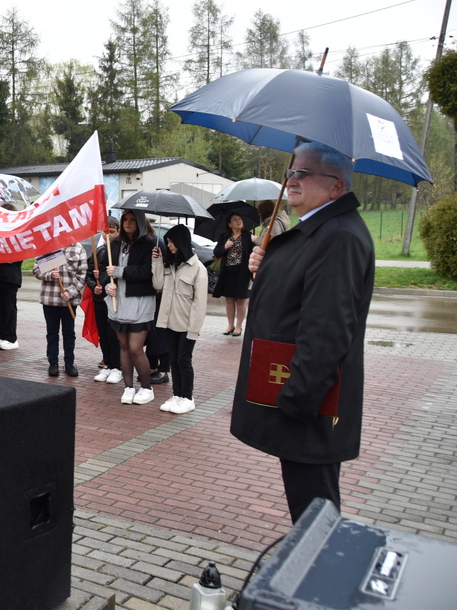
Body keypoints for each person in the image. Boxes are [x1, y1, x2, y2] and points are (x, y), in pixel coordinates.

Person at [231, 142, 374, 524]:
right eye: (292, 171)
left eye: (305, 173)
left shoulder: (338, 236)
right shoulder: (318, 231)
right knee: (309, 513)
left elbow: (326, 331)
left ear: (336, 187)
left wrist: (295, 401)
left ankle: (324, 581)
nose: (292, 179)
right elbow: (295, 297)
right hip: (303, 403)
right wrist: (268, 263)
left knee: (316, 520)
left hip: (310, 409)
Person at [151, 225, 208, 414]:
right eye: (167, 242)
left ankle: (188, 397)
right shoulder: (170, 264)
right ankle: (177, 395)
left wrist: (194, 329)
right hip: (168, 322)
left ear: (181, 242)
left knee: (184, 360)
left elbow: (200, 303)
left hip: (186, 324)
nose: (170, 246)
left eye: (172, 242)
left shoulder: (198, 268)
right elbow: (157, 284)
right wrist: (157, 262)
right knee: (174, 360)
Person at [104, 210, 157, 405]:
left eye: (132, 220)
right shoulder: (115, 243)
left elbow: (146, 272)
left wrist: (120, 272)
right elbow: (104, 270)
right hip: (119, 301)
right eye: (124, 219)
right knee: (124, 346)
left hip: (140, 301)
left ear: (140, 222)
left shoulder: (149, 244)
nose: (127, 223)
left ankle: (146, 388)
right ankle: (128, 387)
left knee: (136, 348)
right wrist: (108, 284)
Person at [33, 241, 87, 378]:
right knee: (52, 333)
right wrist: (50, 275)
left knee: (69, 333)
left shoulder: (78, 248)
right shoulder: (48, 246)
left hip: (69, 299)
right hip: (50, 299)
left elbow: (82, 274)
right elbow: (36, 270)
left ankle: (69, 362)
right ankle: (53, 363)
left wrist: (71, 292)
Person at [86, 217, 122, 383]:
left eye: (112, 232)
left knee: (113, 334)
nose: (108, 235)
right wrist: (95, 285)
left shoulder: (122, 252)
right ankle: (107, 363)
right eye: (105, 231)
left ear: (118, 232)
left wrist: (109, 280)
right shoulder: (98, 251)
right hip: (100, 299)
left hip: (115, 299)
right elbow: (90, 274)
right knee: (103, 334)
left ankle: (118, 367)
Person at [212, 212, 253, 337]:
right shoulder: (225, 237)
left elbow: (254, 252)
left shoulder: (248, 236)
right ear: (230, 224)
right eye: (235, 220)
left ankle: (239, 326)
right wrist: (225, 246)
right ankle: (230, 325)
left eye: (240, 219)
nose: (238, 221)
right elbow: (216, 251)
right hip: (228, 272)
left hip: (243, 273)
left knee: (241, 299)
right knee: (229, 299)